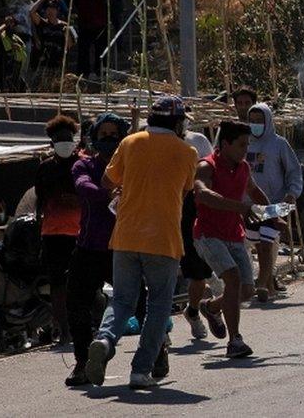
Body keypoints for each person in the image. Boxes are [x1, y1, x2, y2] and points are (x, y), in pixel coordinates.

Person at [86, 96, 197, 390]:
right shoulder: (188, 152)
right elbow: (185, 189)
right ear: (177, 123)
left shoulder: (130, 143)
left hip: (126, 235)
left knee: (122, 300)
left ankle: (104, 341)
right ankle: (140, 370)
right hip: (163, 239)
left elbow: (108, 183)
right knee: (158, 305)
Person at [64, 113, 131, 386]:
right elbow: (84, 187)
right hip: (89, 247)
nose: (108, 139)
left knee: (139, 303)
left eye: (114, 134)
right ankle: (82, 361)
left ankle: (157, 349)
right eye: (102, 134)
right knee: (76, 303)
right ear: (94, 138)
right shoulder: (84, 165)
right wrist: (110, 193)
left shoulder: (133, 164)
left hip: (125, 247)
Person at [194, 121, 270, 357]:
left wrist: (272, 214)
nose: (245, 150)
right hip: (208, 235)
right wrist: (241, 207)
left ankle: (211, 307)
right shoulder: (206, 166)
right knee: (233, 278)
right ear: (225, 144)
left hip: (233, 234)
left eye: (247, 145)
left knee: (246, 291)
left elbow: (254, 192)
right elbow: (203, 195)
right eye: (240, 145)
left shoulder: (243, 167)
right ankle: (235, 340)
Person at [246, 103, 303, 301]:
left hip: (275, 204)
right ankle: (266, 284)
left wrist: (292, 194)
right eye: (251, 121)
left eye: (259, 121)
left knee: (268, 244)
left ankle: (264, 284)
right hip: (248, 206)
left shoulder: (279, 144)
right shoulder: (244, 143)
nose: (255, 125)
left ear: (268, 121)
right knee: (258, 245)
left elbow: (294, 172)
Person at [35, 115, 82, 344]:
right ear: (51, 142)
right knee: (58, 284)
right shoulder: (44, 168)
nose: (64, 142)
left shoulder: (83, 164)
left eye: (67, 138)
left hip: (82, 232)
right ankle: (63, 330)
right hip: (53, 233)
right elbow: (39, 202)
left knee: (81, 283)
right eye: (59, 138)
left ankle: (81, 325)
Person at [180, 120, 214, 340]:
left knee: (198, 275)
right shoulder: (150, 141)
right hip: (161, 212)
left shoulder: (198, 141)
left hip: (191, 212)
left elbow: (212, 174)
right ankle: (159, 331)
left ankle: (193, 311)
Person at [31, 0, 75, 91]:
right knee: (38, 87)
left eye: (53, 8)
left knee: (55, 88)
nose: (51, 11)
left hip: (57, 62)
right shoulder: (43, 23)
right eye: (48, 8)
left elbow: (69, 46)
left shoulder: (64, 25)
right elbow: (32, 12)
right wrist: (41, 0)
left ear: (57, 10)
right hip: (44, 61)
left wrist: (67, 34)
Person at [72, 0, 108, 80]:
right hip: (84, 24)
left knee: (100, 49)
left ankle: (100, 72)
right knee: (83, 50)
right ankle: (83, 73)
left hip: (99, 23)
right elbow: (75, 3)